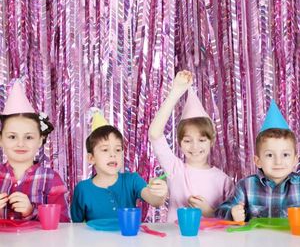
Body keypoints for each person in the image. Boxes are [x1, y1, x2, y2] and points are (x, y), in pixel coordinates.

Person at [148, 70, 234, 222]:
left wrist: (208, 211)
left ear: (211, 141)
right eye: (187, 141)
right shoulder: (175, 169)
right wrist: (176, 92)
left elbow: (232, 221)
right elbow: (155, 134)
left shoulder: (224, 181)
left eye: (201, 140)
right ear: (180, 143)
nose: (195, 146)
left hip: (213, 244)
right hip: (176, 242)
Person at [71, 111, 168, 222]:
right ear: (91, 158)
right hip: (95, 239)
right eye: (105, 150)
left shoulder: (132, 180)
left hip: (128, 238)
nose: (113, 154)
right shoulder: (83, 189)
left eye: (118, 150)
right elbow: (76, 227)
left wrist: (160, 193)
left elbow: (154, 200)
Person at [215, 100, 300, 221]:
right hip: (255, 240)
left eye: (285, 154)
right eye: (270, 155)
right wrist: (232, 213)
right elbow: (220, 211)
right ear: (258, 160)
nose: (278, 161)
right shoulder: (246, 186)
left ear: (295, 160)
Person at [0, 81, 70, 221]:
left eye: (29, 137)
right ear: (1, 140)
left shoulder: (51, 179)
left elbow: (63, 222)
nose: (21, 143)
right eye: (12, 136)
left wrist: (32, 211)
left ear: (40, 140)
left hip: (40, 244)